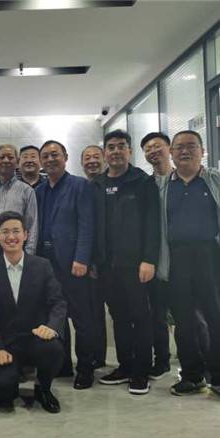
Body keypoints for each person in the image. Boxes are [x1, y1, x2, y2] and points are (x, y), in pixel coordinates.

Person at [93, 130, 160, 395]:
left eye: (121, 146)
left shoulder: (142, 182)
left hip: (136, 265)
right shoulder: (97, 184)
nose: (116, 151)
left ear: (129, 151)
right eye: (111, 147)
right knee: (118, 317)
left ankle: (141, 371)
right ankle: (125, 366)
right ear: (105, 153)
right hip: (107, 266)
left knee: (140, 317)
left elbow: (153, 224)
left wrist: (149, 259)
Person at [155, 130, 220, 397]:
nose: (185, 151)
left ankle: (218, 375)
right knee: (183, 320)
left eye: (191, 146)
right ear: (171, 153)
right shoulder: (163, 187)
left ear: (202, 151)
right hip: (176, 258)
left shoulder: (214, 180)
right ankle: (192, 375)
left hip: (211, 257)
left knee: (216, 316)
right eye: (179, 147)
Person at [0, 211, 66, 413]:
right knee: (4, 396)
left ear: (26, 234)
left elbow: (58, 302)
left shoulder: (42, 266)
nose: (11, 237)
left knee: (54, 349)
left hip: (35, 337)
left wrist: (51, 327)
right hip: (5, 343)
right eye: (5, 232)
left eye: (16, 231)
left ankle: (43, 388)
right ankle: (2, 383)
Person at [141, 131, 209, 381]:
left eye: (157, 146)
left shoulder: (201, 181)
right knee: (170, 318)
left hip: (198, 260)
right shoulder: (154, 186)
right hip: (165, 261)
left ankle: (211, 369)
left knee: (204, 317)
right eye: (148, 148)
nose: (153, 151)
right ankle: (177, 369)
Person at [35, 140, 96, 389]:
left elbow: (87, 225)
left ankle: (85, 369)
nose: (50, 159)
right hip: (47, 263)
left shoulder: (79, 186)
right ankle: (63, 364)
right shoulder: (40, 190)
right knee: (56, 315)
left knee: (81, 319)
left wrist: (82, 258)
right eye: (46, 156)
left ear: (66, 157)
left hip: (72, 262)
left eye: (55, 155)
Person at [80, 144, 108, 368]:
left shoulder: (111, 184)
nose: (92, 161)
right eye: (87, 158)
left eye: (95, 156)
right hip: (92, 262)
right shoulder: (84, 187)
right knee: (93, 310)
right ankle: (97, 356)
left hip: (114, 260)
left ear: (104, 158)